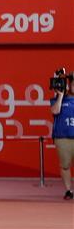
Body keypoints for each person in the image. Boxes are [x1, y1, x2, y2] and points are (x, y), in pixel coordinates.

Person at [50, 69, 74, 200]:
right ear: (69, 85)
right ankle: (69, 191)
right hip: (63, 139)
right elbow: (55, 111)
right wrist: (60, 95)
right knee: (65, 166)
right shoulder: (59, 99)